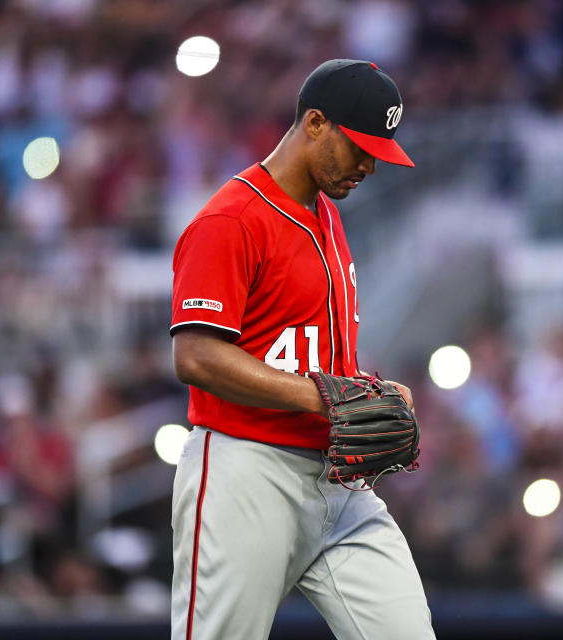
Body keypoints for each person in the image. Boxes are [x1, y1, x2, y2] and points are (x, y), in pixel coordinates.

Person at [169, 59, 435, 640]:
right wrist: (322, 398)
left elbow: (309, 355)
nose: (369, 165)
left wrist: (369, 391)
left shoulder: (328, 215)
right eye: (359, 147)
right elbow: (195, 355)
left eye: (378, 152)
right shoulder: (230, 219)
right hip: (247, 470)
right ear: (314, 122)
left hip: (338, 480)